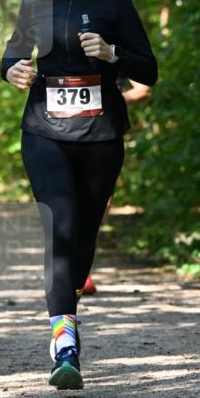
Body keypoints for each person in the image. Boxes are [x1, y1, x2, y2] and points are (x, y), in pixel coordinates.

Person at [1, 0, 158, 390]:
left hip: (100, 136)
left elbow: (148, 70)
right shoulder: (35, 1)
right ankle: (64, 341)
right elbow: (11, 55)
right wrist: (14, 71)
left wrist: (114, 56)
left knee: (85, 233)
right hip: (44, 131)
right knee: (61, 223)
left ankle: (67, 302)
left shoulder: (116, 3)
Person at [80, 77, 152, 295]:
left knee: (98, 207)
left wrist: (109, 99)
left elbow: (144, 90)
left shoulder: (114, 47)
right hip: (59, 132)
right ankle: (77, 273)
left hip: (104, 135)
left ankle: (80, 266)